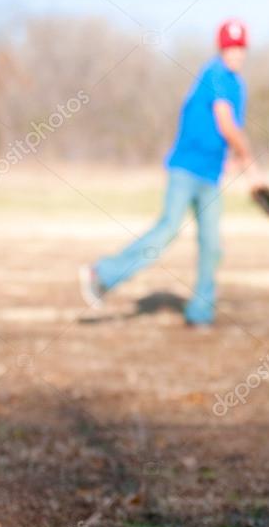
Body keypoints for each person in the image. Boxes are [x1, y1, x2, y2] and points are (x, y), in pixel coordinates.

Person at [79, 19, 259, 327]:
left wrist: (232, 161)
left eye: (240, 47)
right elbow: (227, 124)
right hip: (184, 170)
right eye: (230, 47)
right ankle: (102, 275)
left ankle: (201, 312)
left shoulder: (238, 86)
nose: (235, 53)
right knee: (167, 230)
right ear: (221, 48)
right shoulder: (214, 73)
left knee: (212, 245)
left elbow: (225, 133)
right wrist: (251, 163)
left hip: (211, 175)